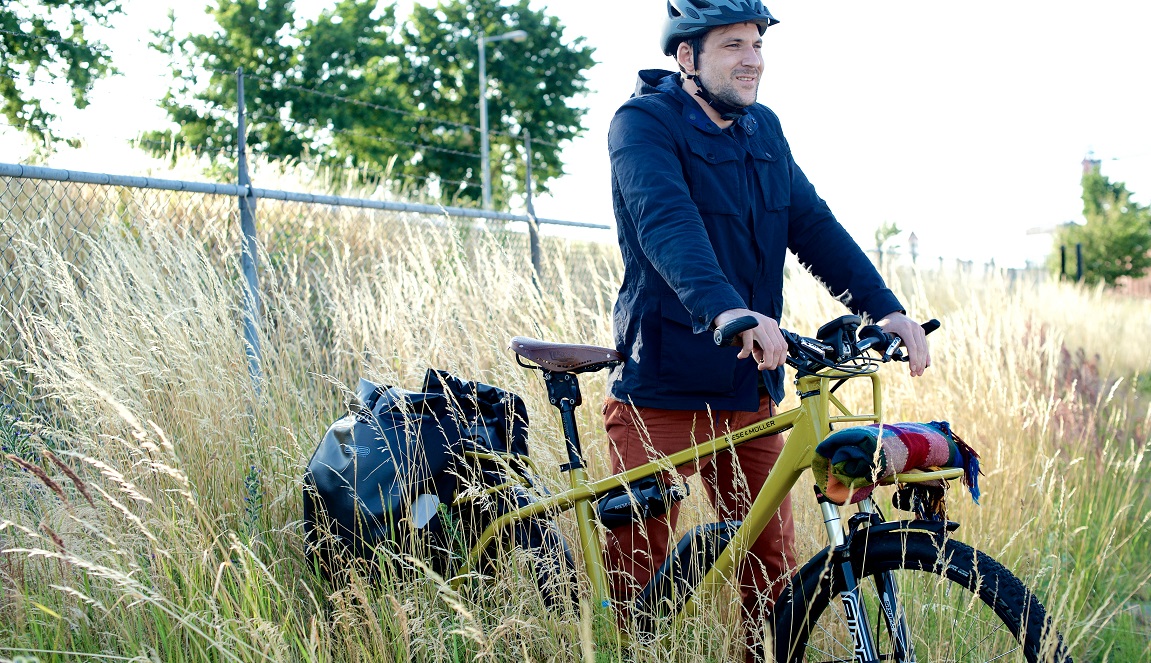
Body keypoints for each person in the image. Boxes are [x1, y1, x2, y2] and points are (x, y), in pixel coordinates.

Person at [602, 0, 931, 658]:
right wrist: (729, 311)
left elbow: (811, 225)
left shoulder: (763, 131)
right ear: (686, 56)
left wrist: (884, 306)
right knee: (638, 551)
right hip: (660, 388)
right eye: (731, 44)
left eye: (756, 43)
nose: (751, 58)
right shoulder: (642, 125)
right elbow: (665, 222)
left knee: (768, 556)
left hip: (746, 386)